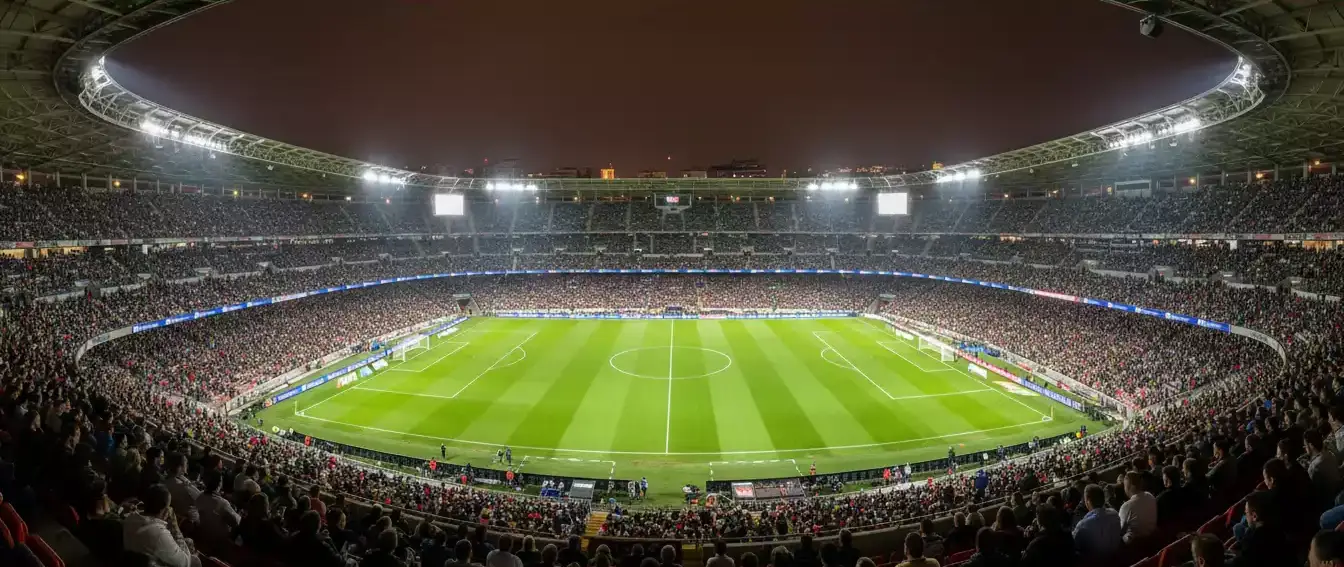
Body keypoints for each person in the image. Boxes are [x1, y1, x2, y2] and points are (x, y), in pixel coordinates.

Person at [123, 484, 201, 567]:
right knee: (195, 561)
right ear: (164, 510)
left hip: (137, 560)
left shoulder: (130, 518)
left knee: (188, 541)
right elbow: (184, 563)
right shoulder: (158, 533)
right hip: (151, 561)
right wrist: (175, 526)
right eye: (168, 506)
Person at [1229, 490, 1291, 567]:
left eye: (1246, 513)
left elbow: (1242, 562)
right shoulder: (1281, 533)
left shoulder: (1252, 541)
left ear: (1254, 516)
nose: (1245, 516)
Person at [1073, 484, 1121, 559]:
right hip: (1118, 559)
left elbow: (1074, 545)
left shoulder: (1083, 525)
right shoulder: (1114, 514)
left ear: (1088, 501)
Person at [1118, 471, 1157, 544]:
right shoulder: (1150, 495)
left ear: (1130, 486)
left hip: (1135, 545)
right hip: (1153, 539)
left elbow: (1119, 530)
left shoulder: (1126, 506)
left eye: (1125, 486)